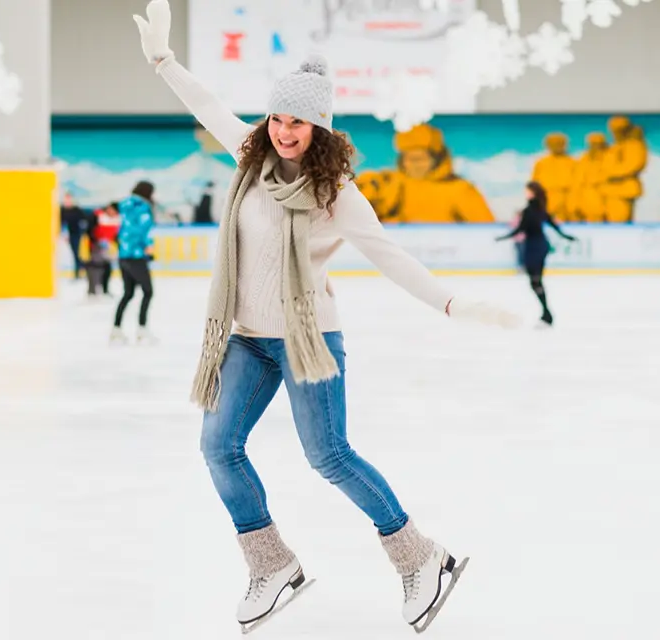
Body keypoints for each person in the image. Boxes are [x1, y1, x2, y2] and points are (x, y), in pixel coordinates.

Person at [132, 0, 521, 632]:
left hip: (307, 338)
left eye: (299, 121)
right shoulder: (249, 160)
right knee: (218, 445)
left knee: (329, 455)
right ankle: (271, 564)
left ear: (320, 128)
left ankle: (422, 558)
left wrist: (452, 303)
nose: (284, 130)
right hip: (247, 339)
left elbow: (390, 257)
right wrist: (163, 60)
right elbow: (206, 103)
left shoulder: (336, 195)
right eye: (277, 117)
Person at [496, 182, 576, 327]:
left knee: (535, 281)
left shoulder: (529, 211)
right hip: (541, 246)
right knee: (536, 281)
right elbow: (554, 226)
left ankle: (547, 313)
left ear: (532, 192)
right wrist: (566, 236)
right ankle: (546, 313)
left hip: (533, 248)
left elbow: (519, 229)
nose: (525, 193)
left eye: (527, 190)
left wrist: (503, 237)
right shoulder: (540, 209)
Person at [110, 181, 157, 345]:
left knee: (128, 293)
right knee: (148, 291)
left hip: (123, 255)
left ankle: (116, 329)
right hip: (136, 255)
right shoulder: (143, 206)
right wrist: (149, 247)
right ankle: (142, 329)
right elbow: (144, 230)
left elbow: (123, 228)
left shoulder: (125, 204)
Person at [60, 192, 87, 281]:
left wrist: (82, 232)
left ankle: (78, 272)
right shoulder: (61, 210)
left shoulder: (77, 210)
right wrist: (63, 233)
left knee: (76, 254)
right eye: (66, 198)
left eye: (69, 198)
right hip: (63, 236)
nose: (68, 200)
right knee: (68, 255)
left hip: (76, 234)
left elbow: (83, 222)